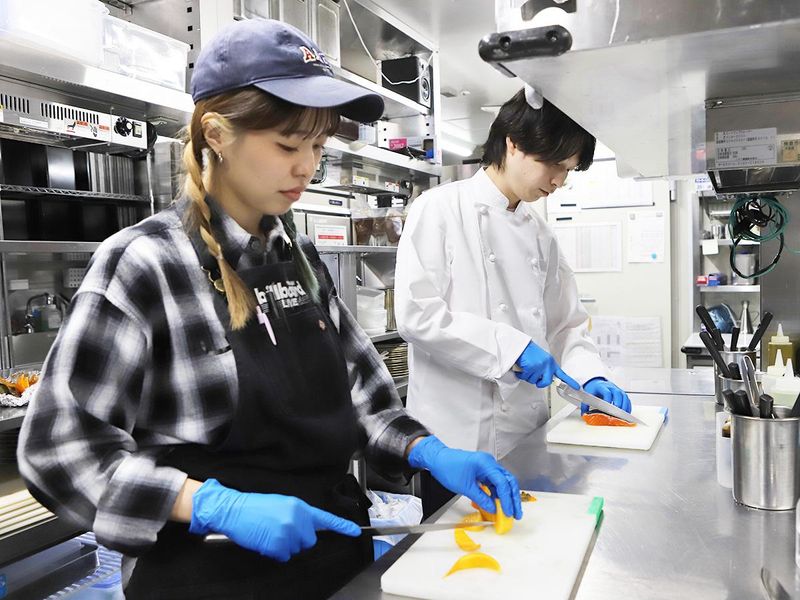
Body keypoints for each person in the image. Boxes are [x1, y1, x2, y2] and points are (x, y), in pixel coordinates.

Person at [16, 20, 522, 600]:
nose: (307, 166)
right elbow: (59, 450)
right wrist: (210, 504)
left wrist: (428, 451)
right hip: (208, 575)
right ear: (217, 134)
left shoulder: (300, 258)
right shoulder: (145, 264)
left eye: (317, 146)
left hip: (336, 564)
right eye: (287, 145)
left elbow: (365, 398)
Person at [395, 89, 632, 514]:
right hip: (456, 446)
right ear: (514, 143)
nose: (559, 181)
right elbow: (417, 314)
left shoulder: (540, 234)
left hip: (526, 437)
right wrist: (512, 348)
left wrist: (590, 376)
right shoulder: (439, 209)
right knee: (455, 550)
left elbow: (565, 325)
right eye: (554, 164)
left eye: (568, 170)